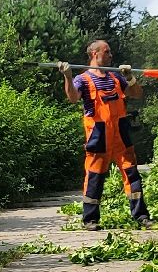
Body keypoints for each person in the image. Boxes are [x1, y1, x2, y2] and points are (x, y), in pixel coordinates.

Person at [59, 39, 151, 230]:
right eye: (107, 52)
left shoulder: (116, 77)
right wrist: (67, 76)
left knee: (132, 176)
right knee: (94, 177)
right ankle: (90, 220)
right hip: (98, 137)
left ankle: (141, 216)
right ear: (95, 54)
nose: (111, 55)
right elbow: (73, 97)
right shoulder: (82, 79)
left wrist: (131, 77)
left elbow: (136, 93)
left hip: (121, 136)